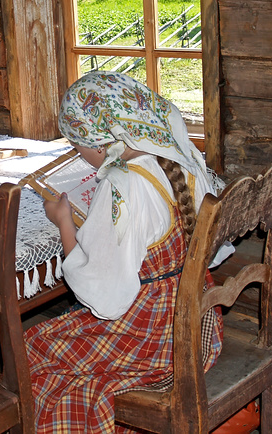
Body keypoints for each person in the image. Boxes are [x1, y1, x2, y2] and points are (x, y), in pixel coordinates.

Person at [24, 71, 228, 432]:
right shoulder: (180, 158)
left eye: (77, 147)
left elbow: (104, 297)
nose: (79, 154)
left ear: (100, 144)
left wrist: (65, 224)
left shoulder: (122, 186)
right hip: (197, 322)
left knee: (32, 348)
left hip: (153, 336)